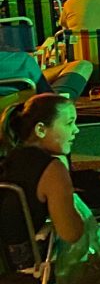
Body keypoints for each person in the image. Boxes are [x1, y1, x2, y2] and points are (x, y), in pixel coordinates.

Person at [0, 96, 87, 267]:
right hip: (18, 261)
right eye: (69, 123)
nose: (76, 130)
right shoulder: (51, 169)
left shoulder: (7, 156)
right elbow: (71, 233)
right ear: (40, 129)